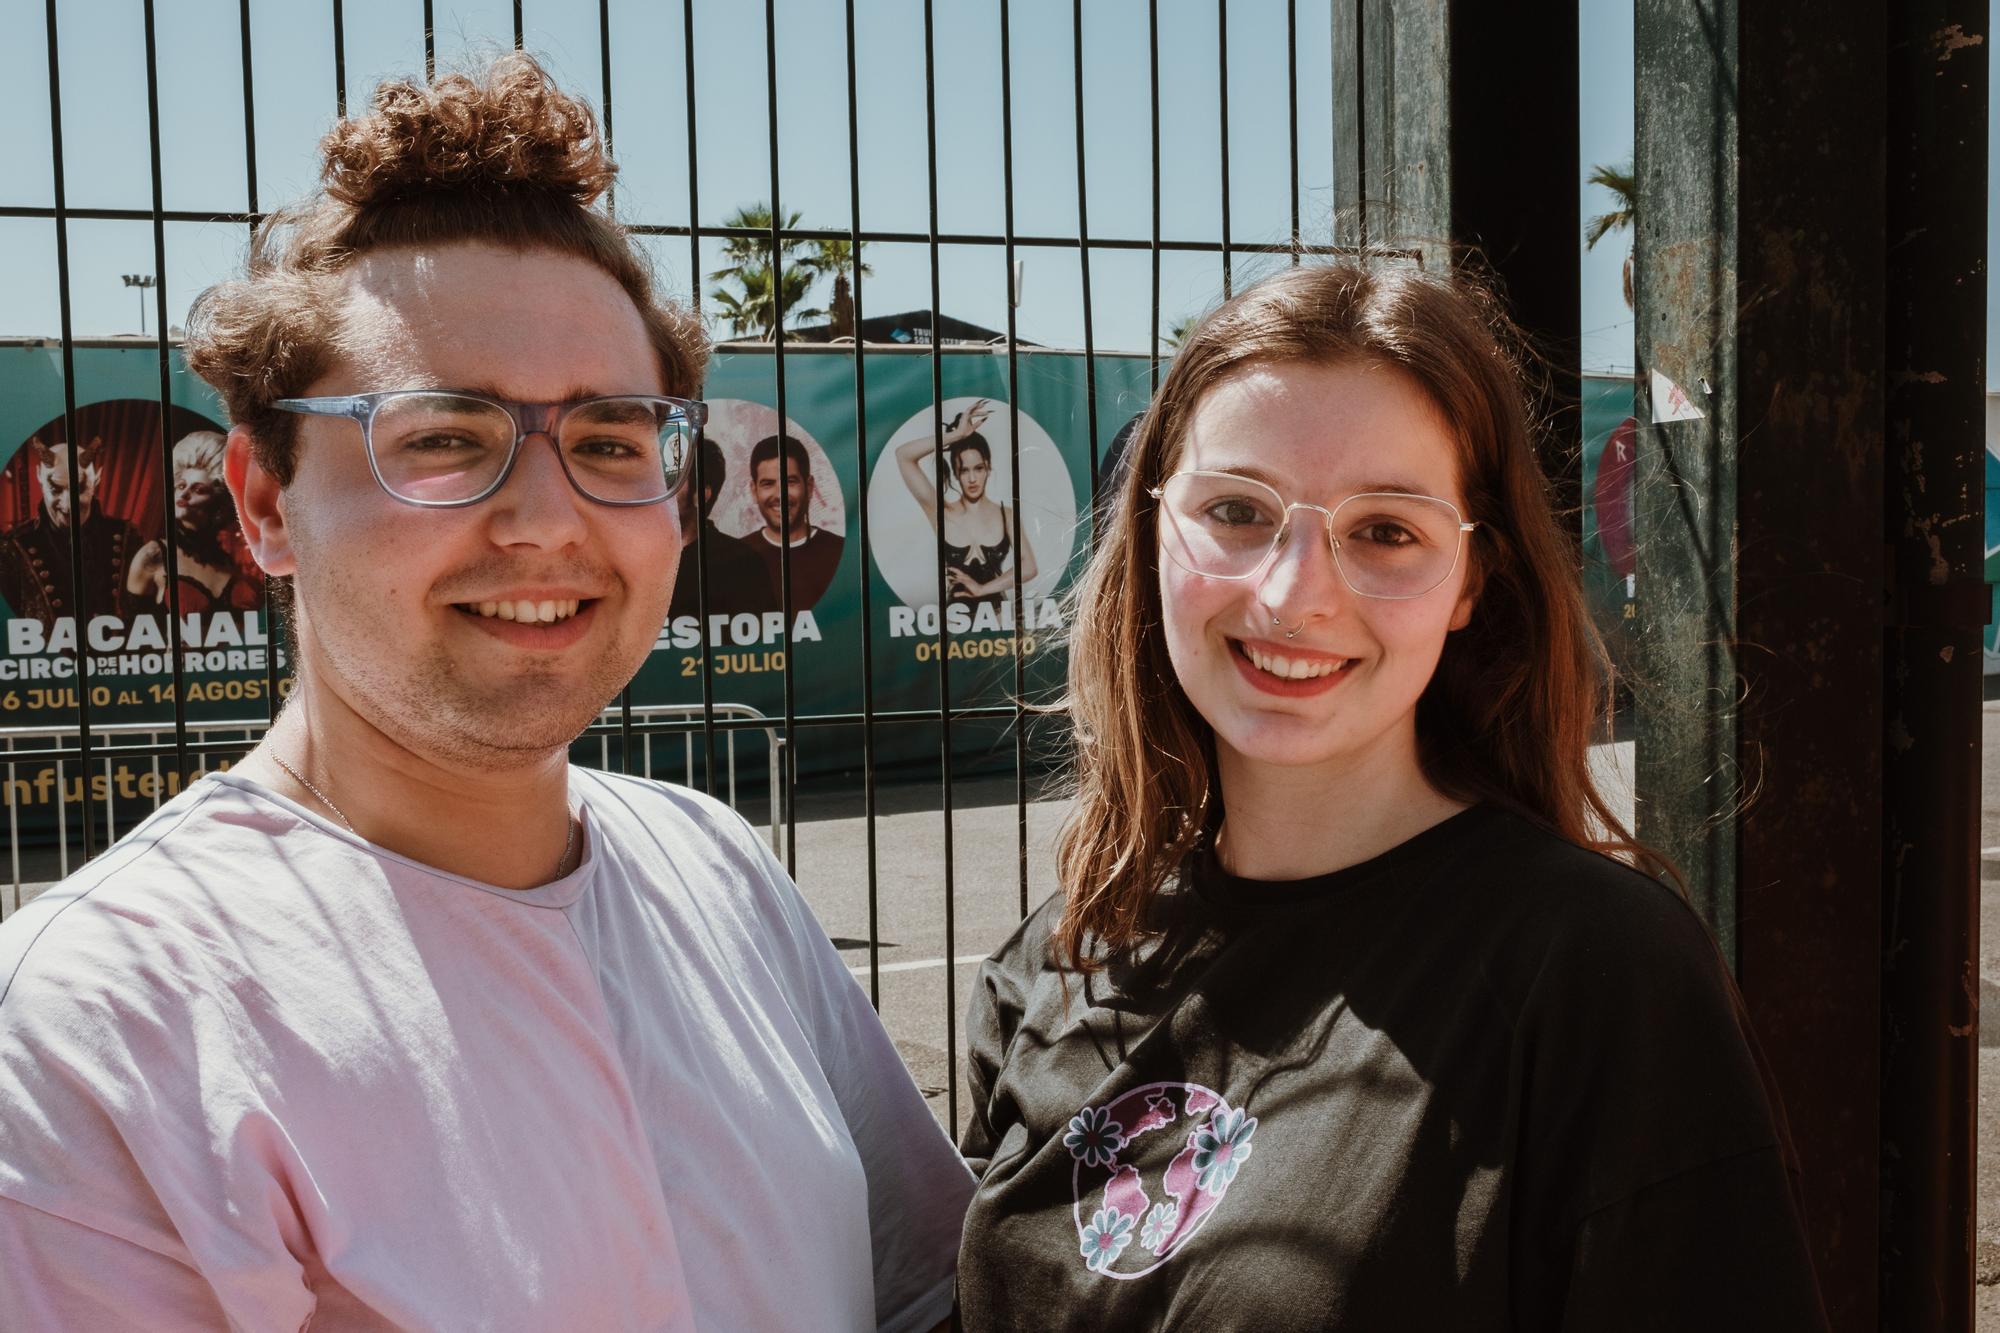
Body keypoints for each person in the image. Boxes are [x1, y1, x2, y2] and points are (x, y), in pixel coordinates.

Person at [0, 53, 971, 1332]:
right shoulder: (96, 1030)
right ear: (263, 503)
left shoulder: (713, 866)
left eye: (611, 441)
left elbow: (925, 1292)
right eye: (444, 438)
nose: (544, 521)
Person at [954, 262, 1827, 1329]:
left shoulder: (1595, 973)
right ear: (1147, 531)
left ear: (1469, 581)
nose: (1290, 593)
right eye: (1234, 508)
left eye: (1383, 531)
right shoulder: (1058, 959)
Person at [893, 400, 1037, 607]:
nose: (972, 479)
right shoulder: (942, 512)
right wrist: (956, 436)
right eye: (964, 470)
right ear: (955, 474)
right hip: (954, 620)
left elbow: (1029, 566)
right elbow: (903, 455)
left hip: (998, 618)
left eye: (978, 468)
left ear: (988, 468)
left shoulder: (1006, 514)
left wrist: (982, 589)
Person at [0, 432, 146, 626]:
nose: (68, 506)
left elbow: (148, 614)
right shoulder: (13, 548)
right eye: (55, 489)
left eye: (79, 489)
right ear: (38, 477)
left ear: (97, 479)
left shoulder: (128, 537)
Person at [127, 430, 263, 614]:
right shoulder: (154, 555)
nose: (184, 494)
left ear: (219, 501)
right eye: (181, 485)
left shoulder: (226, 560)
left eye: (198, 489)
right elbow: (132, 629)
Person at [666, 435, 775, 619]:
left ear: (701, 494)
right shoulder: (631, 558)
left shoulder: (743, 566)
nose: (657, 490)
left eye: (671, 480)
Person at [745, 433, 843, 610]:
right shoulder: (737, 557)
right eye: (768, 484)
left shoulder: (841, 552)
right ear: (754, 490)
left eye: (790, 482)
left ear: (810, 486)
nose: (780, 495)